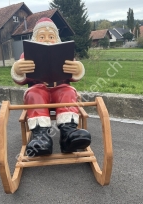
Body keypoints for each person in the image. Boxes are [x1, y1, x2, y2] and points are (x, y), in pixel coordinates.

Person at [11, 17, 91, 156]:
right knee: (35, 95)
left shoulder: (64, 53)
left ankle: (68, 134)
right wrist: (18, 69)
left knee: (68, 92)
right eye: (42, 36)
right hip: (39, 89)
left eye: (51, 36)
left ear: (57, 38)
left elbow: (74, 75)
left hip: (60, 89)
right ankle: (41, 137)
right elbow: (20, 79)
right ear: (35, 38)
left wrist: (77, 68)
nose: (47, 39)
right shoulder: (26, 56)